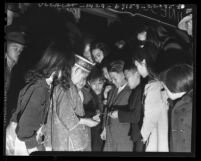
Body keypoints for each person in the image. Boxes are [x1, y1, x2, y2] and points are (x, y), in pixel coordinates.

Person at [6, 41, 71, 155]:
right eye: (66, 69)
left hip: (27, 136)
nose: (67, 74)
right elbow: (25, 130)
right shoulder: (39, 89)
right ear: (57, 66)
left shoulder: (46, 85)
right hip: (22, 140)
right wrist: (33, 149)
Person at [44, 54, 100, 151]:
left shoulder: (69, 86)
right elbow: (66, 116)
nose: (83, 81)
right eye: (83, 77)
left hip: (69, 141)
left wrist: (88, 117)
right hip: (68, 143)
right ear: (76, 71)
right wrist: (87, 121)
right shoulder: (65, 88)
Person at [132, 42, 169, 152]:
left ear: (144, 62)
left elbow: (150, 117)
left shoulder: (153, 85)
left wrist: (143, 134)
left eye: (137, 66)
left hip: (156, 131)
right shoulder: (160, 80)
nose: (137, 70)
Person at [108, 60, 146, 152]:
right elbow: (130, 109)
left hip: (139, 135)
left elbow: (136, 116)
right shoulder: (136, 90)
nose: (126, 81)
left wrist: (119, 114)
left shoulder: (140, 91)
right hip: (136, 135)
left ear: (137, 74)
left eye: (127, 77)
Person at [160, 64, 193, 152]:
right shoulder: (182, 101)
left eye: (166, 89)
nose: (165, 92)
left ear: (175, 88)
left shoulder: (189, 108)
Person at [101, 60, 133, 151]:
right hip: (110, 136)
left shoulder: (131, 91)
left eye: (115, 78)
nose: (113, 81)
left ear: (123, 74)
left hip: (123, 137)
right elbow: (107, 109)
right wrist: (104, 127)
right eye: (111, 79)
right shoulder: (113, 89)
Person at [82, 65, 106, 151]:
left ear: (104, 81)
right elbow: (83, 112)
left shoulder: (107, 94)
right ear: (89, 83)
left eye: (100, 83)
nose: (97, 86)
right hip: (93, 130)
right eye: (94, 84)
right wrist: (93, 113)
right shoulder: (87, 95)